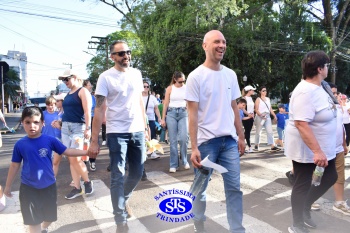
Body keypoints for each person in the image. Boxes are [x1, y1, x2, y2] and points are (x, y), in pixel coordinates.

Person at [186, 30, 245, 233]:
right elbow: (192, 115)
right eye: (217, 42)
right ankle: (199, 221)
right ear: (205, 46)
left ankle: (237, 229)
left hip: (229, 142)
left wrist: (241, 137)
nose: (222, 45)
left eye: (224, 42)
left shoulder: (230, 74)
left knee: (234, 189)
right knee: (200, 189)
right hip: (206, 144)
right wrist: (193, 147)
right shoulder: (195, 77)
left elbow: (234, 107)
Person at [88, 40, 147, 233]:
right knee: (117, 176)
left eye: (128, 52)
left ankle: (123, 199)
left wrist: (145, 126)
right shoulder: (105, 77)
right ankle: (120, 220)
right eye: (121, 54)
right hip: (116, 133)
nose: (126, 56)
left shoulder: (136, 74)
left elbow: (139, 101)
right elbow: (99, 109)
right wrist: (94, 140)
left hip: (137, 130)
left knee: (138, 172)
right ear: (112, 56)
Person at [3, 106, 89, 233]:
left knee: (50, 219)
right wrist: (8, 186)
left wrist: (87, 152)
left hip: (49, 187)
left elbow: (67, 151)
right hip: (28, 189)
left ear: (43, 123)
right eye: (28, 122)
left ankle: (43, 228)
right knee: (33, 222)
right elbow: (14, 165)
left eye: (36, 122)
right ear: (22, 123)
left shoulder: (50, 140)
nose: (32, 126)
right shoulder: (20, 144)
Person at [284, 50, 338, 233]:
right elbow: (301, 123)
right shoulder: (304, 92)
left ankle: (305, 206)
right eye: (327, 65)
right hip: (306, 148)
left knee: (331, 176)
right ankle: (297, 224)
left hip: (325, 145)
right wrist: (317, 151)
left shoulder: (322, 86)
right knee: (302, 182)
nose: (328, 69)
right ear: (319, 68)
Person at [58, 69, 93, 200]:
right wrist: (60, 121)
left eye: (66, 79)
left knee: (77, 158)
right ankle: (77, 188)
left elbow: (87, 111)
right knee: (71, 159)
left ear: (74, 77)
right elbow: (66, 112)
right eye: (63, 80)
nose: (65, 82)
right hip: (65, 128)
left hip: (78, 128)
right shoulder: (68, 94)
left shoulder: (82, 91)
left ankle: (87, 181)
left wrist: (88, 128)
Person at [161, 71, 190, 172]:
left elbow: (190, 101)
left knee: (184, 138)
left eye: (184, 81)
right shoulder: (170, 88)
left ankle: (185, 160)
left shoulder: (187, 88)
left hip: (183, 113)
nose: (182, 83)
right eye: (180, 81)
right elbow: (165, 104)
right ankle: (173, 164)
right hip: (171, 113)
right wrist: (163, 118)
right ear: (175, 80)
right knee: (172, 140)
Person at [328, 83, 350, 215]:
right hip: (323, 150)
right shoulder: (320, 107)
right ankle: (309, 199)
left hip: (338, 148)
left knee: (340, 175)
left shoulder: (338, 107)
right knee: (316, 175)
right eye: (331, 92)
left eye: (336, 93)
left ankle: (339, 202)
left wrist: (343, 144)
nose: (334, 95)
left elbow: (341, 127)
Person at [254, 86, 279, 151]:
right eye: (263, 91)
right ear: (260, 92)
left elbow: (270, 109)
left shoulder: (268, 99)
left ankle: (272, 145)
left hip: (267, 116)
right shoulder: (258, 99)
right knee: (258, 131)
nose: (265, 92)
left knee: (270, 131)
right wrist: (261, 115)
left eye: (265, 90)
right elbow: (256, 109)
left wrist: (274, 115)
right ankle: (256, 144)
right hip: (260, 116)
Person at [83, 80, 97, 172]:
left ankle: (92, 161)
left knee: (93, 141)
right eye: (89, 85)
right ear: (85, 86)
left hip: (92, 120)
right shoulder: (81, 95)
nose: (91, 86)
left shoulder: (92, 97)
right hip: (83, 121)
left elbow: (96, 109)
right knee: (83, 142)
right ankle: (83, 162)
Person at [51, 93, 66, 177]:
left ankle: (84, 180)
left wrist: (59, 126)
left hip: (66, 139)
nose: (55, 102)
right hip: (58, 138)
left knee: (74, 161)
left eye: (57, 101)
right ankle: (52, 181)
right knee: (55, 162)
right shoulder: (59, 112)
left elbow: (68, 128)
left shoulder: (66, 113)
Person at [242, 85, 256, 152]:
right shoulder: (244, 98)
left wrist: (252, 115)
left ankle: (239, 144)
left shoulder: (251, 98)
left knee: (247, 132)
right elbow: (243, 109)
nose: (253, 91)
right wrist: (248, 114)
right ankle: (250, 147)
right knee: (247, 132)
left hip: (251, 117)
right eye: (252, 90)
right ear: (249, 91)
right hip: (246, 117)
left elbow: (252, 108)